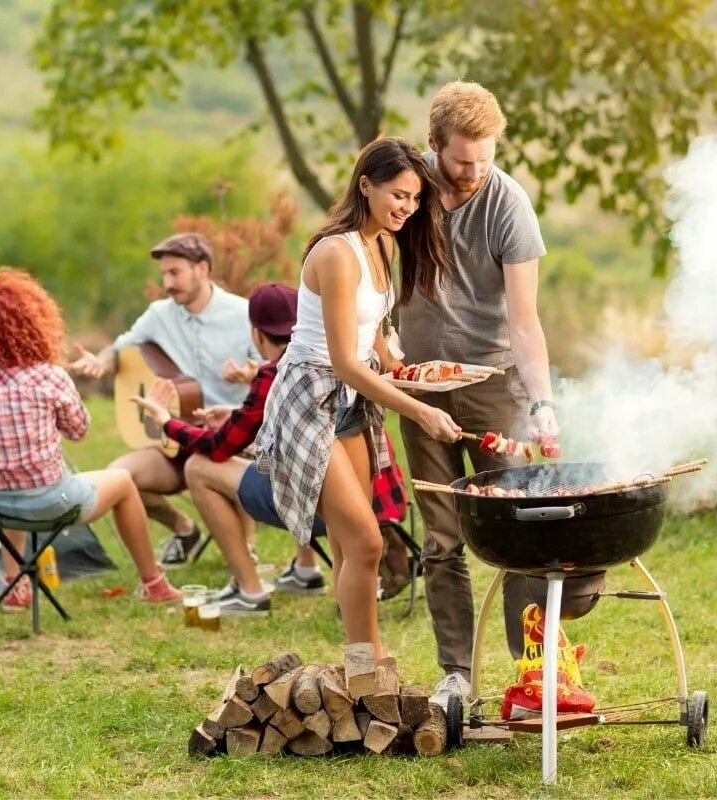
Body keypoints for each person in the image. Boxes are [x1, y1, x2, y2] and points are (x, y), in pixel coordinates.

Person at [255, 136, 459, 658]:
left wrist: (399, 368)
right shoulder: (336, 253)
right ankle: (369, 665)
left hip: (351, 400)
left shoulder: (382, 244)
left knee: (354, 543)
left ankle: (361, 661)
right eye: (398, 195)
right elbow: (343, 359)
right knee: (368, 541)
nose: (407, 208)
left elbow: (365, 329)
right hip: (310, 398)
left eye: (415, 199)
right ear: (365, 185)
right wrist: (418, 408)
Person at [397, 81, 560, 709]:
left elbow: (524, 320)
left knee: (517, 531)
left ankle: (532, 672)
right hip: (420, 388)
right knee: (441, 540)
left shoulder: (509, 204)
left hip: (495, 385)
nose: (473, 172)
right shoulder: (406, 193)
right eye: (462, 160)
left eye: (484, 158)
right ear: (434, 145)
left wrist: (542, 404)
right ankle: (456, 677)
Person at [132, 282, 410, 616]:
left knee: (200, 468)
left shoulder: (278, 373)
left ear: (257, 334)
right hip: (381, 504)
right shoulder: (342, 357)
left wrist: (166, 422)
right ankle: (306, 571)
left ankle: (249, 591)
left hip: (328, 512)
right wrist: (237, 416)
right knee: (298, 451)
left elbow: (218, 448)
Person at [0, 267, 180, 610]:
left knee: (7, 481)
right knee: (124, 482)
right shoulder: (50, 378)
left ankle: (16, 584)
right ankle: (153, 583)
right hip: (52, 502)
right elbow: (80, 432)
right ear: (37, 323)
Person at [69, 232, 258, 566]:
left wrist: (249, 373)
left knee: (227, 471)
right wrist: (101, 362)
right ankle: (184, 529)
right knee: (119, 477)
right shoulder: (159, 314)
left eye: (175, 273)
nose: (168, 283)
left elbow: (271, 370)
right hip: (175, 437)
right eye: (164, 274)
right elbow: (122, 346)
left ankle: (246, 551)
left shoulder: (243, 314)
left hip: (228, 438)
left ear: (202, 269)